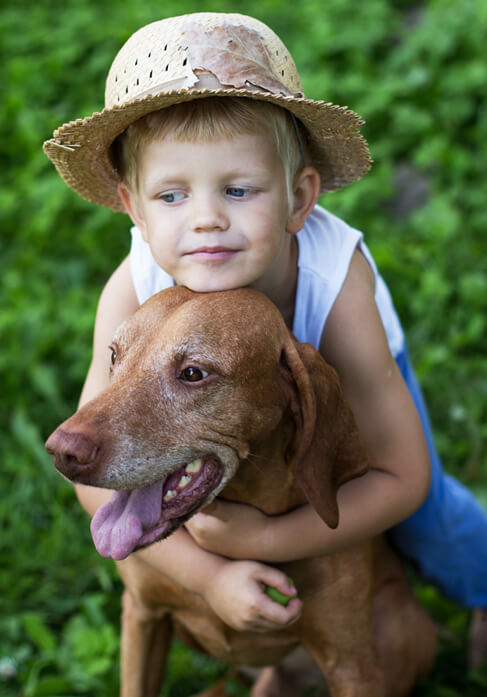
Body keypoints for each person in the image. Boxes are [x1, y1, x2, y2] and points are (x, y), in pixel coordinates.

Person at [44, 11, 487, 684]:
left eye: (238, 188)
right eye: (172, 194)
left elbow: (402, 476)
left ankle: (481, 584)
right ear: (134, 208)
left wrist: (265, 540)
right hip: (227, 385)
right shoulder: (131, 286)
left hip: (355, 369)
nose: (205, 218)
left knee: (420, 514)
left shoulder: (335, 281)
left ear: (298, 196)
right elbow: (88, 442)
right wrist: (210, 575)